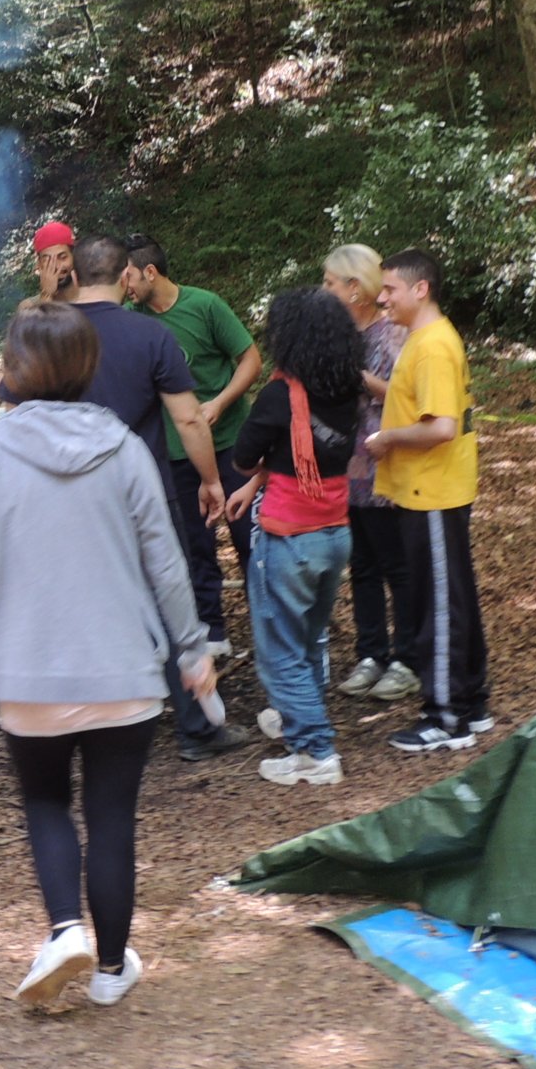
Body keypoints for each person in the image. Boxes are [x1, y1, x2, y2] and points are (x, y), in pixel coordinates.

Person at [0, 302, 216, 1010]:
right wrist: (192, 650)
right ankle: (109, 971)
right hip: (123, 667)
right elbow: (167, 563)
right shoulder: (126, 448)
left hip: (26, 669)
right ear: (89, 366)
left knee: (45, 802)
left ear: (14, 369)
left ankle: (64, 928)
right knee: (112, 818)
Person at [55, 233, 243, 761]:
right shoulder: (149, 335)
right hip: (144, 492)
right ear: (124, 276)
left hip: (69, 496)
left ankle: (94, 728)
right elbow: (189, 419)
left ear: (76, 275)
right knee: (169, 601)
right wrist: (211, 480)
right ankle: (196, 729)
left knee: (85, 604)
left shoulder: (50, 333)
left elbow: (15, 405)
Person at [228, 290, 364, 786]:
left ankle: (314, 751)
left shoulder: (279, 397)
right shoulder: (349, 390)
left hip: (289, 539)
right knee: (307, 640)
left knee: (280, 651)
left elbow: (243, 458)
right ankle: (296, 720)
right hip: (335, 534)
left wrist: (256, 471)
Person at [365, 248, 491, 755]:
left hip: (432, 492)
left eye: (390, 289)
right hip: (429, 490)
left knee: (438, 604)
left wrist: (388, 439)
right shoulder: (424, 339)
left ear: (421, 289)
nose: (382, 298)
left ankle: (446, 717)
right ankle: (471, 701)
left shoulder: (434, 345)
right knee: (453, 595)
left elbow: (442, 428)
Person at [123, 234, 261, 655]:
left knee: (249, 539)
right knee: (195, 546)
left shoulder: (205, 305)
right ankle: (213, 630)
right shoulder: (132, 319)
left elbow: (251, 360)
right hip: (177, 451)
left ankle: (269, 629)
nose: (124, 285)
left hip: (230, 443)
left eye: (128, 276)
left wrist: (220, 401)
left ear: (150, 272)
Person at [322, 244, 418, 703]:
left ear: (355, 288)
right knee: (361, 564)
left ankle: (408, 659)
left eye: (329, 283)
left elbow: (405, 394)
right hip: (347, 465)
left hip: (385, 461)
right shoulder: (337, 334)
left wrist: (355, 376)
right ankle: (371, 654)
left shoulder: (393, 333)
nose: (324, 290)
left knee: (395, 563)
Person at [0, 219, 79, 400]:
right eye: (47, 260)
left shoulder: (88, 301)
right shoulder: (28, 308)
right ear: (39, 265)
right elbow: (20, 362)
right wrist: (47, 296)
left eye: (62, 257)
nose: (56, 267)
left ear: (74, 258)